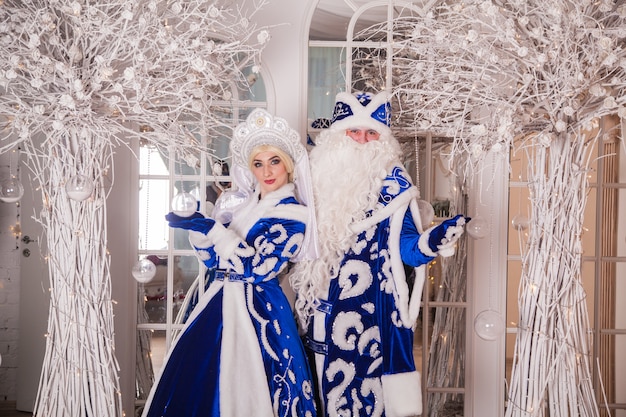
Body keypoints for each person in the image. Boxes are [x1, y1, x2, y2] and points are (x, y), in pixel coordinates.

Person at [290, 91, 468, 417]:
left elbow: (409, 251)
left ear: (383, 140)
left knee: (364, 402)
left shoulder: (396, 188)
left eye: (372, 133)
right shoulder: (312, 184)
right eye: (354, 131)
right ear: (337, 136)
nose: (362, 140)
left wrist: (434, 241)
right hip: (316, 314)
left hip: (369, 319)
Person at [142, 108, 319, 417]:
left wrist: (213, 230)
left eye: (274, 161)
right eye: (258, 163)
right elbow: (215, 261)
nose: (267, 171)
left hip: (260, 312)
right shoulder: (242, 208)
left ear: (288, 165)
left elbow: (259, 269)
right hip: (217, 303)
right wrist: (198, 230)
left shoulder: (294, 216)